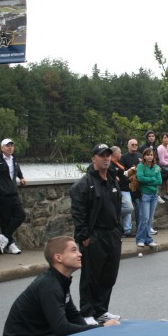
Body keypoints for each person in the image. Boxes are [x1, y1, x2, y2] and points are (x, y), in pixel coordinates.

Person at [2, 236, 120, 336]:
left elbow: (73, 315)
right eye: (73, 250)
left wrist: (91, 335)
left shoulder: (60, 280)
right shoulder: (50, 285)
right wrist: (101, 328)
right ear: (58, 257)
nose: (80, 254)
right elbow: (62, 329)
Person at [69, 144, 123, 325]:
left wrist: (118, 231)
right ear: (93, 158)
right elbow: (78, 212)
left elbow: (117, 207)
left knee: (109, 275)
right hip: (94, 236)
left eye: (108, 155)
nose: (106, 158)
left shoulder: (112, 180)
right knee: (90, 276)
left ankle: (101, 310)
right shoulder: (84, 184)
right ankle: (87, 312)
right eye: (102, 156)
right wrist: (84, 236)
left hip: (112, 235)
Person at [135, 148, 162, 248]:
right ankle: (140, 239)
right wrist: (152, 179)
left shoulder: (156, 167)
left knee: (150, 219)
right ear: (144, 156)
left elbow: (159, 181)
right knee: (144, 218)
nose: (150, 156)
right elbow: (140, 178)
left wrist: (149, 181)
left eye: (151, 155)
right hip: (145, 195)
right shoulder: (141, 166)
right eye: (148, 155)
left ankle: (148, 239)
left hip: (154, 195)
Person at [139, 130, 168, 205]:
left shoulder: (155, 147)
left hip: (155, 165)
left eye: (153, 136)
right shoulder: (143, 147)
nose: (151, 138)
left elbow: (156, 158)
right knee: (153, 175)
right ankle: (157, 194)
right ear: (147, 138)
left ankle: (167, 194)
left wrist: (157, 166)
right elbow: (142, 159)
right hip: (146, 167)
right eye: (149, 136)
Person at [119, 139, 143, 235]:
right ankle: (127, 230)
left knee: (138, 208)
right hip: (126, 186)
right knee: (129, 208)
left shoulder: (140, 156)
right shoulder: (123, 157)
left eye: (136, 144)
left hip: (136, 187)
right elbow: (121, 173)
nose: (134, 146)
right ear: (128, 146)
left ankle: (139, 228)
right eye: (132, 144)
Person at [110, 146, 134, 237]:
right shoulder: (111, 164)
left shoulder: (117, 163)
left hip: (126, 188)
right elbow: (113, 176)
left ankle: (127, 230)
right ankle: (113, 215)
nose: (121, 154)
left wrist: (130, 171)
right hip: (120, 189)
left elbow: (122, 175)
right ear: (115, 153)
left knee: (128, 210)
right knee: (129, 208)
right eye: (119, 152)